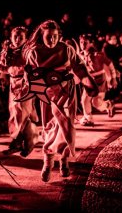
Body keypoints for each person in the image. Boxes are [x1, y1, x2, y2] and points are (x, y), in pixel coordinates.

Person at [21, 20, 98, 182]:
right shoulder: (34, 52)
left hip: (67, 94)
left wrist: (89, 82)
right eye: (49, 36)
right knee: (49, 127)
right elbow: (29, 77)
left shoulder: (67, 49)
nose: (52, 40)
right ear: (42, 35)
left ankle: (64, 160)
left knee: (67, 128)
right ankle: (48, 163)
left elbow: (80, 68)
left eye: (55, 36)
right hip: (47, 95)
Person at [0, 26, 39, 157]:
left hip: (26, 85)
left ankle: (27, 141)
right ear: (11, 37)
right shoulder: (8, 51)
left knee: (23, 113)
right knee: (14, 113)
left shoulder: (28, 52)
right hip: (13, 86)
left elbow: (31, 67)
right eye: (15, 36)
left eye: (21, 37)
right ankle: (20, 141)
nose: (18, 39)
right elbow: (3, 69)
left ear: (25, 39)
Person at [78, 33, 118, 126]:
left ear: (90, 43)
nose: (83, 45)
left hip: (100, 81)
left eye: (85, 42)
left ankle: (108, 105)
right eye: (81, 42)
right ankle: (88, 118)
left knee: (96, 103)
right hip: (88, 81)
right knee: (84, 100)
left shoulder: (98, 55)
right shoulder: (80, 55)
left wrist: (114, 78)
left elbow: (110, 65)